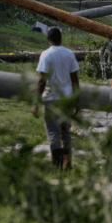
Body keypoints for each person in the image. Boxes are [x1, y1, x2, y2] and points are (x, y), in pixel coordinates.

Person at [32, 27, 80, 170]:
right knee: (65, 132)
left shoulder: (46, 55)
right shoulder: (69, 54)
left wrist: (36, 103)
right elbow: (75, 80)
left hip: (51, 99)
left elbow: (42, 81)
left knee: (54, 133)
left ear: (48, 39)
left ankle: (57, 166)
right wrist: (77, 101)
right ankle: (68, 163)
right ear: (60, 39)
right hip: (66, 98)